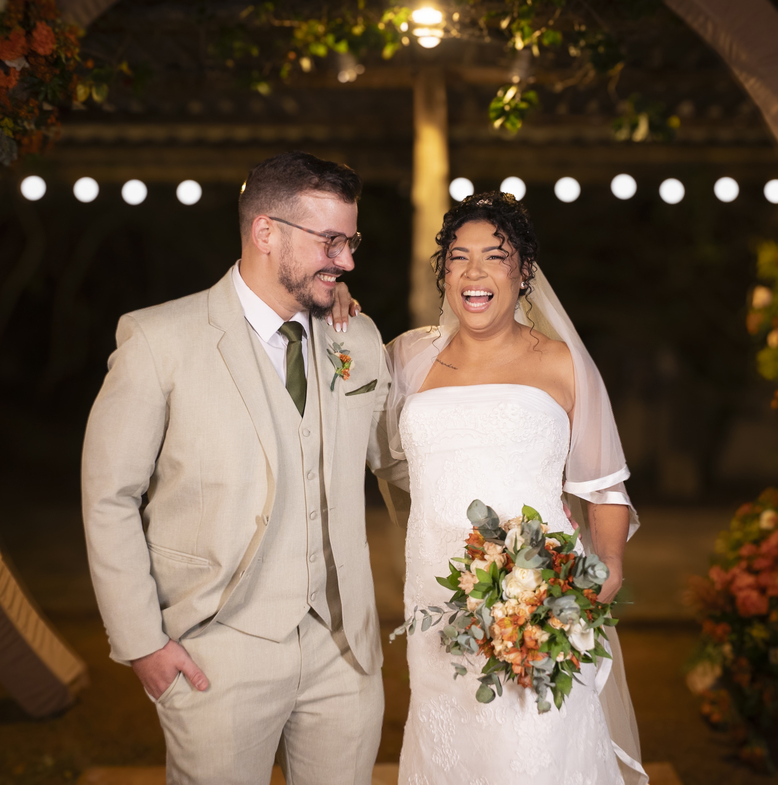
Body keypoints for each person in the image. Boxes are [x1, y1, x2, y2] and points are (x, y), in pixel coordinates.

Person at [81, 151, 399, 784]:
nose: (346, 261)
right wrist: (143, 642)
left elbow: (401, 460)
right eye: (330, 241)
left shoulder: (356, 338)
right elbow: (109, 497)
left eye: (351, 241)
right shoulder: (159, 341)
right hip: (216, 651)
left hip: (345, 654)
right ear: (265, 232)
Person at [380, 191, 648, 784]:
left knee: (534, 750)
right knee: (451, 747)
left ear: (523, 271)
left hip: (539, 595)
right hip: (435, 593)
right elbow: (341, 390)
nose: (473, 273)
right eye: (458, 257)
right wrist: (340, 314)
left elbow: (604, 485)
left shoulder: (562, 362)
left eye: (494, 257)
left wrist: (607, 567)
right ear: (444, 273)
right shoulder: (405, 359)